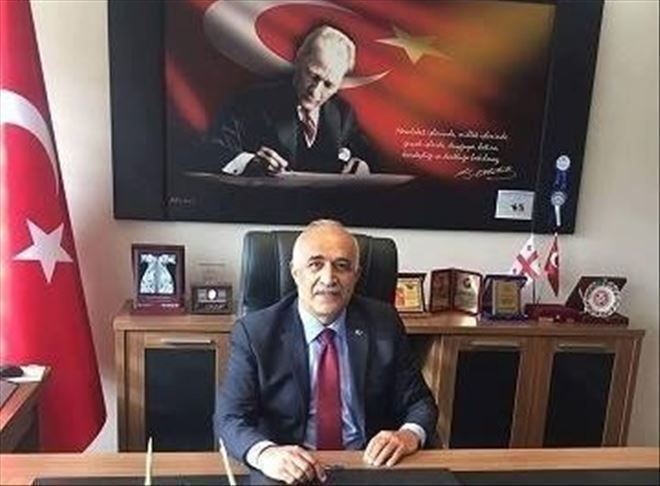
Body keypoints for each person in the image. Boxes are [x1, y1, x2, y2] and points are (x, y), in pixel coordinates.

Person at [215, 220, 437, 484]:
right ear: (295, 272)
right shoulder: (255, 333)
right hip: (289, 470)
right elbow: (230, 418)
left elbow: (419, 402)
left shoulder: (383, 324)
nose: (329, 278)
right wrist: (266, 454)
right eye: (315, 264)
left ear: (356, 275)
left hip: (368, 465)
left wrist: (408, 434)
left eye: (342, 266)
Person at [209, 25, 376, 177]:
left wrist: (362, 166)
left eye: (328, 84)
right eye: (313, 76)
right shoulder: (251, 102)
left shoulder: (343, 113)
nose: (315, 91)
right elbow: (210, 151)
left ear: (339, 84)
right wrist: (250, 162)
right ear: (299, 58)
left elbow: (366, 156)